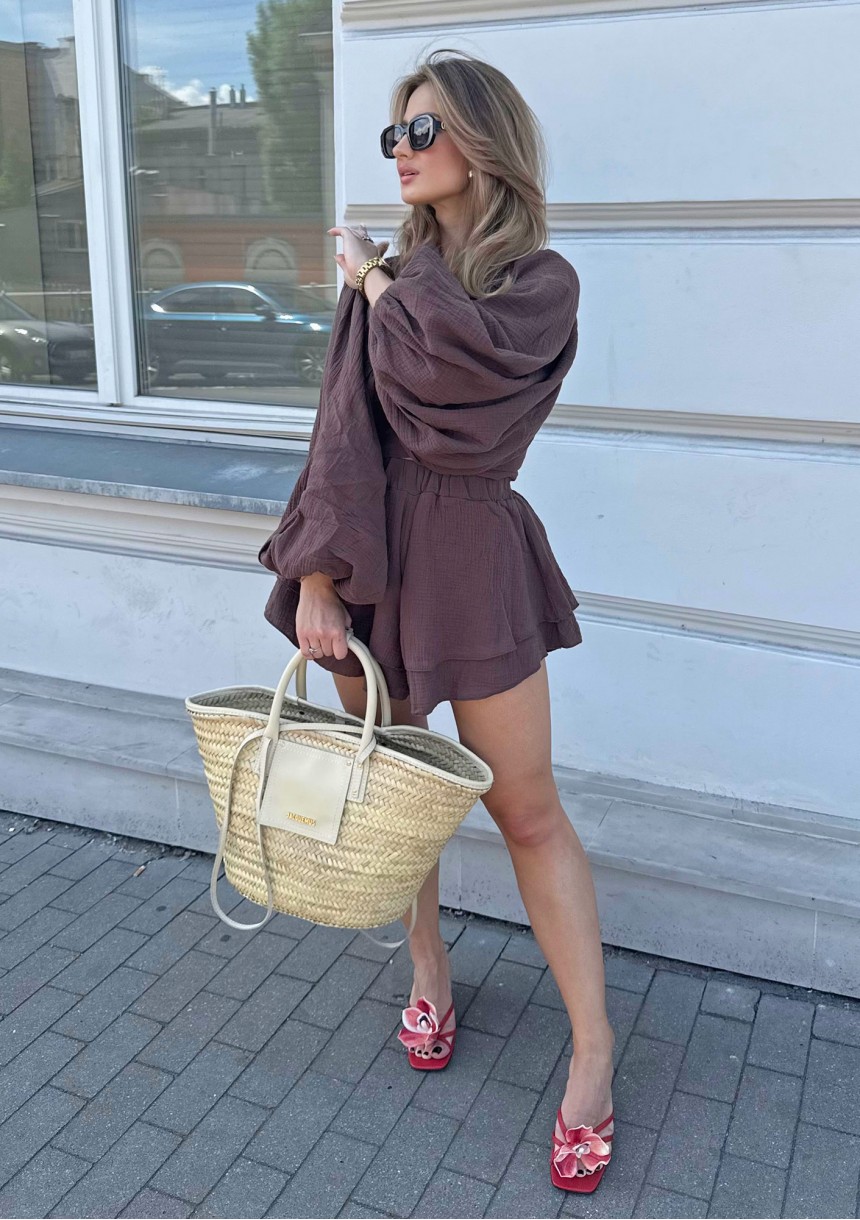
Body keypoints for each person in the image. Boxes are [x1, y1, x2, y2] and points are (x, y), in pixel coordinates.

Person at [261, 49, 615, 1192]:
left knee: (525, 808)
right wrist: (318, 578)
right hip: (375, 556)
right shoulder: (390, 279)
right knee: (396, 794)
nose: (402, 153)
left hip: (475, 553)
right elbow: (341, 432)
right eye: (394, 135)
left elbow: (459, 381)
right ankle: (427, 974)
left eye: (422, 131)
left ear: (482, 141)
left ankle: (593, 1052)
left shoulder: (536, 285)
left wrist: (373, 282)